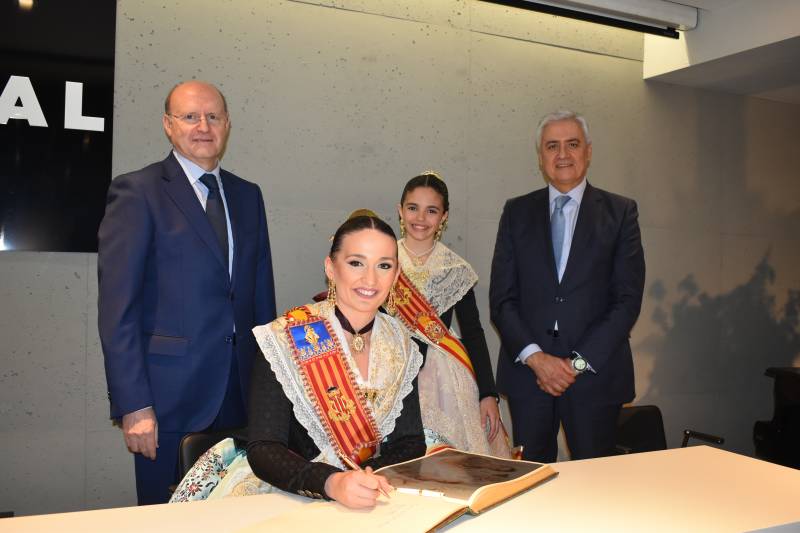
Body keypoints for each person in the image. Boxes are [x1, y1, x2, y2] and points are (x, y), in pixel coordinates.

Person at [97, 80, 276, 504]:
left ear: (227, 124)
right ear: (168, 125)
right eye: (190, 116)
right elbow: (117, 309)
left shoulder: (248, 196)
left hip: (240, 396)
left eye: (213, 116)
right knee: (164, 519)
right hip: (165, 402)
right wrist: (133, 404)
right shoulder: (137, 192)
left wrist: (269, 394)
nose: (203, 126)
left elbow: (261, 300)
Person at [177, 211, 426, 508]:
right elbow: (265, 449)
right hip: (288, 490)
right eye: (356, 263)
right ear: (331, 268)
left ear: (396, 275)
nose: (370, 279)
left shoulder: (401, 342)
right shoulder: (285, 336)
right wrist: (331, 482)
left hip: (366, 492)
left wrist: (368, 476)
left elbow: (410, 441)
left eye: (384, 266)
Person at [490, 110, 645, 462]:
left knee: (595, 486)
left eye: (572, 144)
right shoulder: (516, 212)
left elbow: (627, 300)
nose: (563, 155)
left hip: (595, 376)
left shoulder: (620, 213)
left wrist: (575, 365)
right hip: (529, 377)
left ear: (588, 151)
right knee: (530, 482)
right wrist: (538, 359)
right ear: (541, 157)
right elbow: (502, 298)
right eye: (552, 146)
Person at [394, 172, 510, 458]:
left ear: (444, 216)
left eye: (431, 210)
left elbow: (473, 332)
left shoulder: (455, 269)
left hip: (442, 376)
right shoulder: (384, 259)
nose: (420, 218)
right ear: (400, 210)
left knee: (444, 462)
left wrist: (488, 393)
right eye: (413, 208)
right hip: (389, 368)